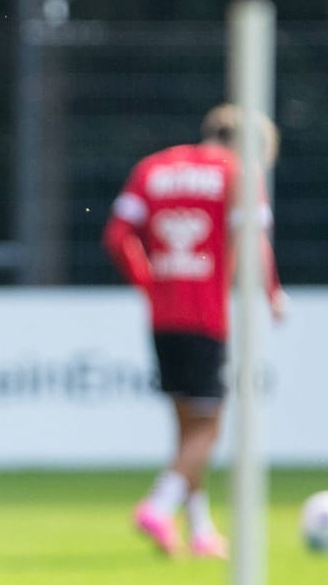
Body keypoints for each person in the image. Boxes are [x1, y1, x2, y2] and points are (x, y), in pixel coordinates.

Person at [103, 105, 285, 559]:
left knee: (186, 427)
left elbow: (116, 235)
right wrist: (271, 292)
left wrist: (148, 281)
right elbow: (254, 239)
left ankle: (200, 529)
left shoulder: (153, 167)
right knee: (209, 427)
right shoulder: (236, 172)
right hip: (206, 317)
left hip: (162, 317)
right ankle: (158, 507)